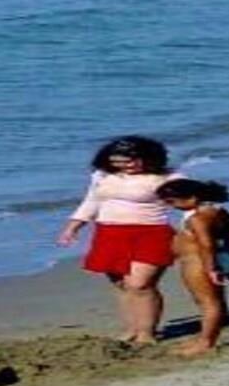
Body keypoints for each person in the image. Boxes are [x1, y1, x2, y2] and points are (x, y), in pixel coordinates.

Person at [55, 135, 177, 345]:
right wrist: (72, 227)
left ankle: (146, 333)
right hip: (109, 233)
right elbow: (91, 202)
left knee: (140, 284)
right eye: (120, 162)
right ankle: (131, 328)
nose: (127, 166)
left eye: (132, 161)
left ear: (149, 157)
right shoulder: (102, 175)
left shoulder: (168, 177)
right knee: (122, 285)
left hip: (151, 233)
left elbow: (189, 198)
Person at [157, 179, 229, 356]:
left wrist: (211, 269)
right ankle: (206, 337)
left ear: (192, 198)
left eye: (171, 201)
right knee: (213, 300)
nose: (169, 206)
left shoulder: (198, 218)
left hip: (197, 263)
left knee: (208, 302)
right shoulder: (219, 211)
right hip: (209, 261)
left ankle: (206, 342)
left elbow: (206, 244)